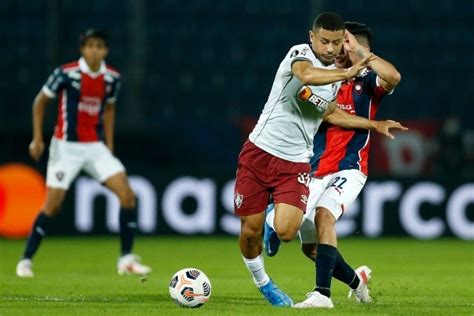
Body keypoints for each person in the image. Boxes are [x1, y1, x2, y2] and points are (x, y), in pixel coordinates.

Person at [234, 13, 406, 307]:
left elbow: (384, 82)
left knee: (308, 223)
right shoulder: (302, 55)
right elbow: (310, 81)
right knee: (305, 247)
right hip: (279, 157)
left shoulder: (354, 80)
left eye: (337, 43)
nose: (331, 48)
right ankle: (276, 276)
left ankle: (321, 295)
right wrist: (347, 74)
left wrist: (374, 124)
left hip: (325, 165)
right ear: (313, 37)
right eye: (325, 41)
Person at [16, 29, 151, 278]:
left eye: (99, 46)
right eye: (90, 46)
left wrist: (109, 143)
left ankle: (126, 259)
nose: (95, 50)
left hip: (95, 147)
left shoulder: (112, 78)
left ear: (105, 50)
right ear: (83, 49)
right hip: (65, 147)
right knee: (52, 206)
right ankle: (26, 259)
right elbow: (40, 102)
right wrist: (37, 138)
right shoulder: (66, 73)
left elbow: (109, 109)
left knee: (128, 195)